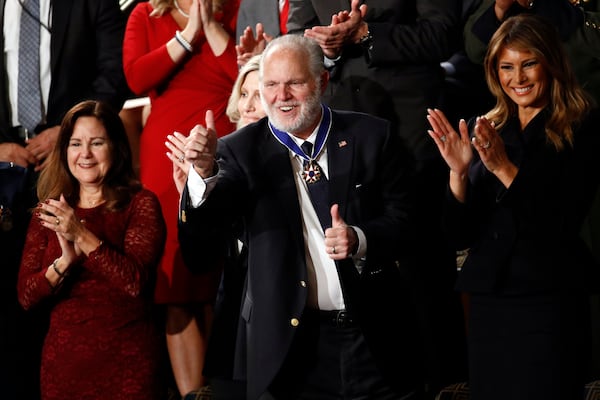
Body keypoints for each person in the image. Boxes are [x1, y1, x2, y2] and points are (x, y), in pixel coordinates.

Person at [178, 34, 421, 400]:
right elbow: (201, 248)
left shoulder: (370, 135)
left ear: (321, 82)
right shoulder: (241, 151)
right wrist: (204, 175)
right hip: (292, 347)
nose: (282, 96)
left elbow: (407, 222)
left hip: (372, 338)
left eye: (294, 82)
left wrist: (360, 238)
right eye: (271, 85)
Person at [426, 14, 600, 400]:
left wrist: (502, 167)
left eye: (528, 64)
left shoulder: (581, 125)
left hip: (549, 298)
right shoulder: (487, 127)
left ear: (550, 63)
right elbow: (459, 234)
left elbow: (557, 222)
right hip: (491, 301)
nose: (517, 78)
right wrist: (458, 173)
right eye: (506, 67)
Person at [0, 2, 128, 398]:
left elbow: (114, 77)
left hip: (71, 167)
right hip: (3, 167)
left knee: (65, 296)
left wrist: (66, 131)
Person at [122, 0, 240, 396]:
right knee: (177, 286)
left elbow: (247, 78)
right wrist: (188, 37)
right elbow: (137, 78)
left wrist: (214, 29)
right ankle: (194, 393)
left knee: (226, 278)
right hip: (166, 158)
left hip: (227, 152)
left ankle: (229, 385)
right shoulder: (146, 13)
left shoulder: (240, 8)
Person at [16, 100, 167, 400]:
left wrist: (80, 235)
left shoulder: (141, 204)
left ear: (116, 147)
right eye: (75, 143)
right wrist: (63, 264)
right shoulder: (49, 211)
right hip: (64, 367)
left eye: (96, 143)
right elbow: (26, 296)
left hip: (128, 365)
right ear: (65, 151)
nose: (85, 154)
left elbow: (135, 283)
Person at [166, 53, 264, 400]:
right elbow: (198, 260)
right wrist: (194, 196)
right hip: (234, 341)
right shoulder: (212, 166)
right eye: (245, 93)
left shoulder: (290, 166)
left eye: (261, 93)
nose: (251, 104)